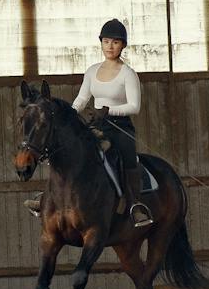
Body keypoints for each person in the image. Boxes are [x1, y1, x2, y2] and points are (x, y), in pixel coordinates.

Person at [26, 18, 153, 229]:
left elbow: (134, 106)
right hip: (97, 124)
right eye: (106, 41)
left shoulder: (128, 74)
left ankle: (134, 204)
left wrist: (109, 110)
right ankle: (48, 197)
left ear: (122, 45)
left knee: (127, 154)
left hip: (120, 126)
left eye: (115, 42)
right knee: (67, 150)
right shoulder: (92, 71)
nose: (110, 46)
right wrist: (68, 115)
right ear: (101, 43)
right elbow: (82, 100)